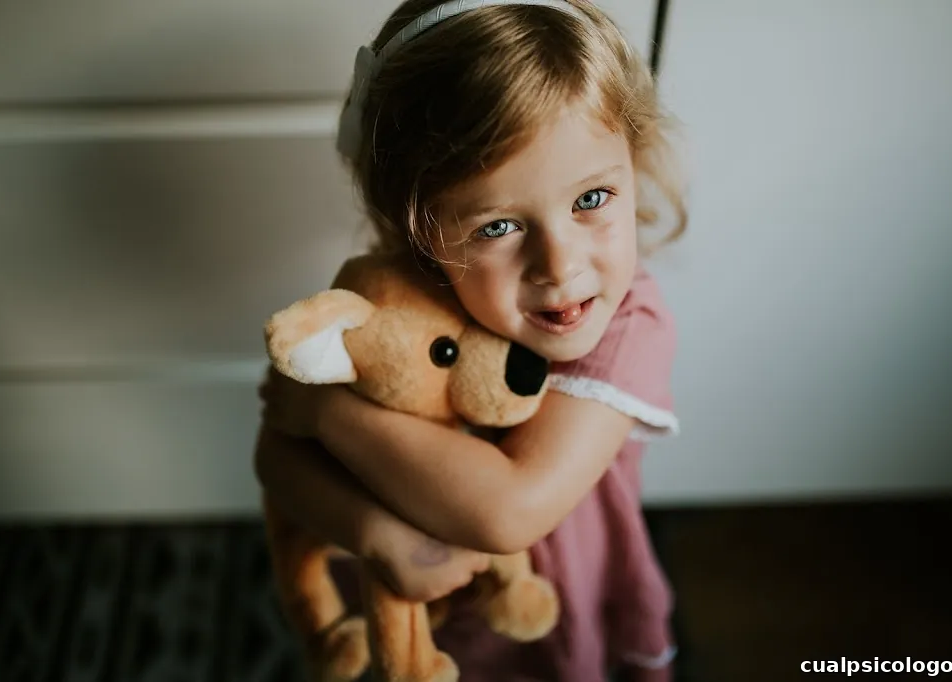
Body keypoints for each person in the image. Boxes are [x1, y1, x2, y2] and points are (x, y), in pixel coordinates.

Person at [255, 0, 687, 680]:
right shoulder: (394, 308)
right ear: (422, 236)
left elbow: (509, 512)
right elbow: (279, 462)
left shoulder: (629, 325)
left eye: (591, 199)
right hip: (421, 625)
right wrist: (378, 536)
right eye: (496, 228)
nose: (560, 266)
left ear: (633, 163)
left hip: (552, 611)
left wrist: (330, 413)